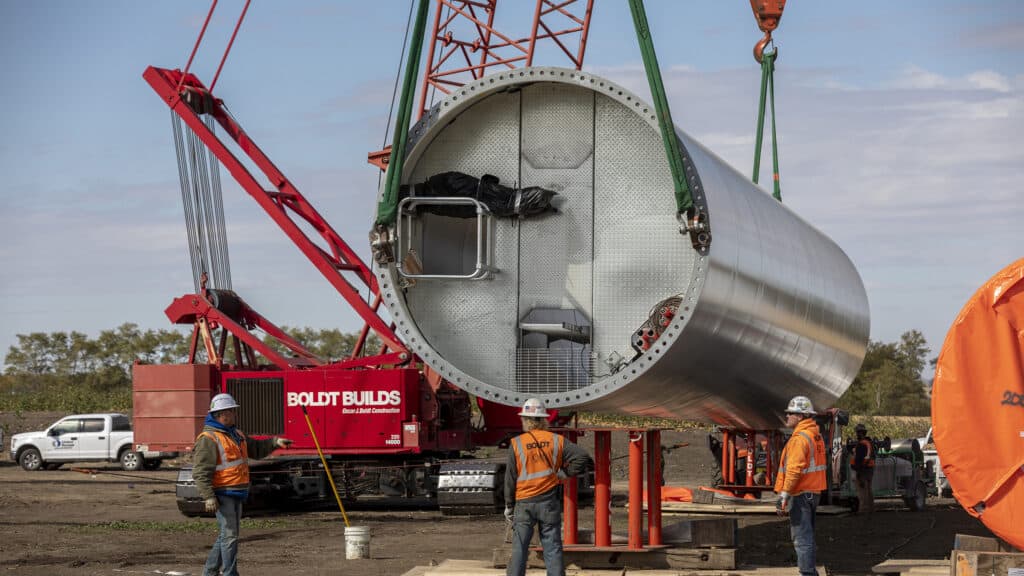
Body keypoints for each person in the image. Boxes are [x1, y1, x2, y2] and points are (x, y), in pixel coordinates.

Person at [193, 393, 292, 576]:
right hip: (223, 493)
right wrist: (208, 496)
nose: (235, 414)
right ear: (222, 414)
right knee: (229, 536)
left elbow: (256, 449)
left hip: (237, 491)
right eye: (232, 411)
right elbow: (200, 471)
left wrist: (275, 442)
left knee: (227, 536)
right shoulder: (208, 438)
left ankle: (210, 572)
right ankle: (230, 573)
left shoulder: (236, 434)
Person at [504, 398, 592, 576]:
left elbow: (510, 479)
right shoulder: (556, 440)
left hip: (524, 503)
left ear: (525, 420)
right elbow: (582, 456)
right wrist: (564, 474)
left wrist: (509, 506)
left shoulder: (517, 444)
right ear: (544, 419)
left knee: (520, 547)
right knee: (552, 547)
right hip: (548, 502)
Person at [774, 395, 827, 576]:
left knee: (801, 538)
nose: (787, 416)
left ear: (801, 416)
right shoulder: (815, 435)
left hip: (800, 493)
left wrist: (784, 494)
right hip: (812, 492)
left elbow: (794, 470)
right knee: (807, 536)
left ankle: (807, 573)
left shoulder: (799, 438)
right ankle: (810, 572)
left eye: (791, 413)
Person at [850, 423, 875, 514]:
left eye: (857, 433)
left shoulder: (861, 444)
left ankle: (863, 509)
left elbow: (859, 460)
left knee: (862, 490)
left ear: (860, 433)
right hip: (869, 469)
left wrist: (858, 472)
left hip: (863, 470)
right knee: (868, 489)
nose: (856, 435)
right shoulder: (869, 443)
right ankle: (870, 508)